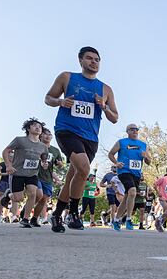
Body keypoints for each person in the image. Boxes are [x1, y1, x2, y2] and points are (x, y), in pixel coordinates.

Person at [45, 46, 119, 232]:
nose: (93, 62)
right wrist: (61, 102)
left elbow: (115, 118)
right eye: (89, 58)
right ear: (80, 60)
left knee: (74, 175)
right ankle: (73, 213)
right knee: (84, 169)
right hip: (67, 130)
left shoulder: (106, 89)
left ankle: (56, 214)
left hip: (90, 137)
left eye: (97, 59)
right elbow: (48, 98)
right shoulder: (67, 77)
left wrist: (104, 106)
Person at [2, 118, 49, 228]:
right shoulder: (19, 140)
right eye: (34, 125)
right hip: (17, 173)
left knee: (33, 193)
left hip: (32, 174)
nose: (38, 127)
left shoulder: (43, 146)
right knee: (18, 198)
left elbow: (44, 159)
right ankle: (8, 194)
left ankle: (25, 219)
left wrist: (44, 164)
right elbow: (5, 151)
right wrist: (8, 165)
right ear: (28, 128)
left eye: (40, 126)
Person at [108, 124, 151, 231]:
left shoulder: (143, 145)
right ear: (127, 131)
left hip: (136, 174)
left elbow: (149, 162)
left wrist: (146, 157)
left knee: (127, 197)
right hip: (124, 171)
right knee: (132, 192)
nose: (135, 131)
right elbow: (111, 154)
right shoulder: (121, 142)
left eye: (136, 129)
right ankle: (128, 219)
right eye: (132, 129)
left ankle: (116, 220)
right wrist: (116, 163)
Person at [33, 128, 64, 225]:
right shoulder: (35, 146)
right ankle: (26, 211)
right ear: (41, 136)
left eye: (49, 134)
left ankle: (34, 219)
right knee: (39, 195)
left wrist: (59, 164)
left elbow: (60, 164)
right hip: (35, 175)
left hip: (48, 178)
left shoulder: (55, 150)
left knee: (43, 199)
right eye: (45, 134)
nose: (48, 136)